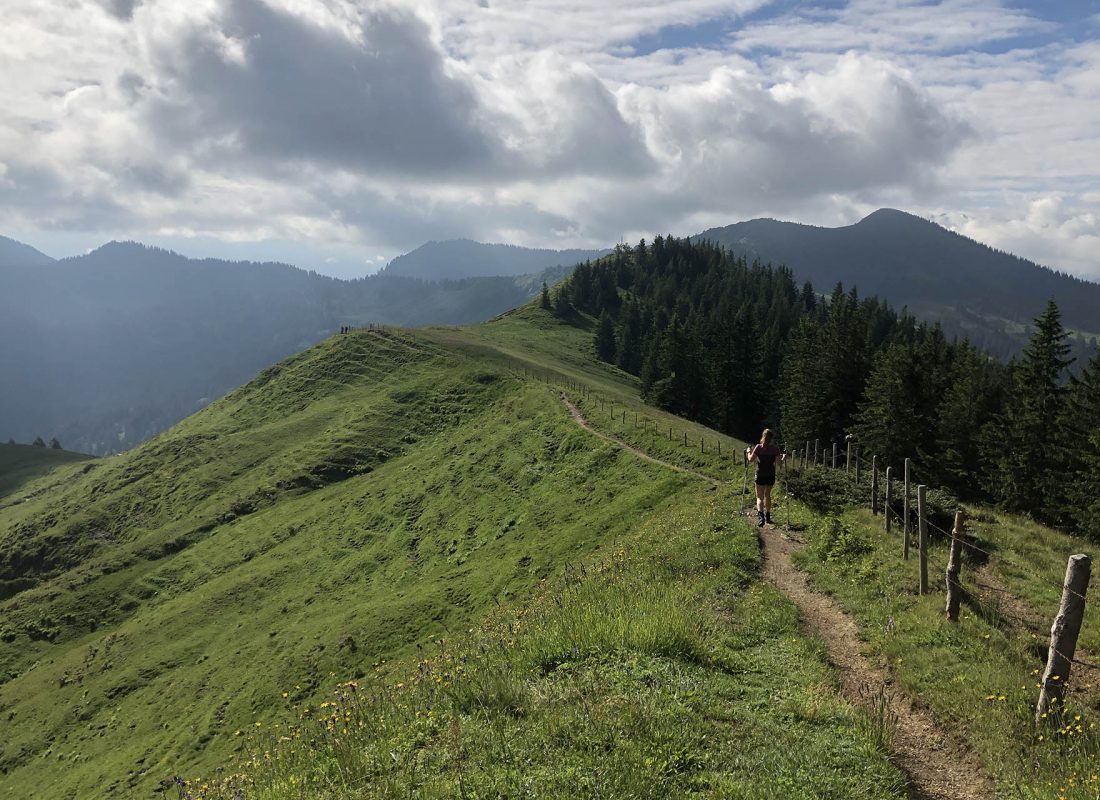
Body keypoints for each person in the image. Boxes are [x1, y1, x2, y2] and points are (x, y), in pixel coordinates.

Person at [745, 429, 785, 527]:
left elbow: (750, 460)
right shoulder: (775, 449)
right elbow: (780, 463)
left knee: (759, 497)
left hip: (760, 475)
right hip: (771, 475)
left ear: (762, 436)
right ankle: (768, 516)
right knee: (768, 495)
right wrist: (784, 457)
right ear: (771, 438)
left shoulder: (758, 447)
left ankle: (761, 517)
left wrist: (748, 452)